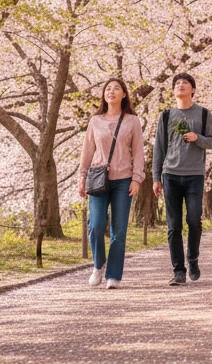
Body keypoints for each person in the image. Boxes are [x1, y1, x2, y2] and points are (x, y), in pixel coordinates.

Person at [78, 77, 145, 289]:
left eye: (117, 88)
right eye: (108, 89)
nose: (112, 91)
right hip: (98, 178)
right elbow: (87, 151)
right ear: (104, 95)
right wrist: (82, 177)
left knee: (119, 230)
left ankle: (114, 275)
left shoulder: (132, 121)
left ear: (124, 94)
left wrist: (137, 178)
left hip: (124, 180)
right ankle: (99, 265)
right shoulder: (95, 121)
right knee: (96, 226)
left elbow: (139, 152)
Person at [153, 72, 212, 285]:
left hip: (194, 175)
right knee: (173, 225)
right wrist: (156, 177)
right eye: (177, 83)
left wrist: (196, 138)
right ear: (173, 90)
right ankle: (178, 270)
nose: (180, 85)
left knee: (193, 219)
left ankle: (193, 258)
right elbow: (159, 150)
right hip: (170, 174)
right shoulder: (165, 116)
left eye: (185, 83)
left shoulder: (203, 114)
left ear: (193, 89)